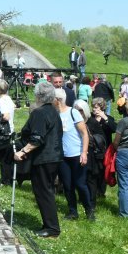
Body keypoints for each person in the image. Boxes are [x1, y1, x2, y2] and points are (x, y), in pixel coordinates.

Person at [14, 81, 63, 238]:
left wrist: (22, 151)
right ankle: (49, 224)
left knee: (44, 191)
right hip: (53, 156)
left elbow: (37, 138)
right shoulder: (53, 111)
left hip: (44, 157)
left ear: (38, 96)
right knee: (46, 190)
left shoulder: (40, 113)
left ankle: (52, 228)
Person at [55, 90, 94, 221]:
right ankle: (73, 211)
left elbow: (84, 134)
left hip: (76, 154)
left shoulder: (73, 112)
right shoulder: (54, 114)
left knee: (80, 184)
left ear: (57, 100)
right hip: (62, 156)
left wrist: (84, 152)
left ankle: (89, 211)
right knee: (67, 185)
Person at [85, 98, 116, 204]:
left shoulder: (108, 118)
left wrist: (104, 117)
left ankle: (101, 191)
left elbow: (114, 129)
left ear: (102, 108)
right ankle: (90, 191)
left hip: (104, 149)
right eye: (93, 107)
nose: (94, 109)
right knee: (92, 170)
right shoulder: (89, 118)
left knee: (102, 170)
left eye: (97, 107)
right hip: (91, 148)